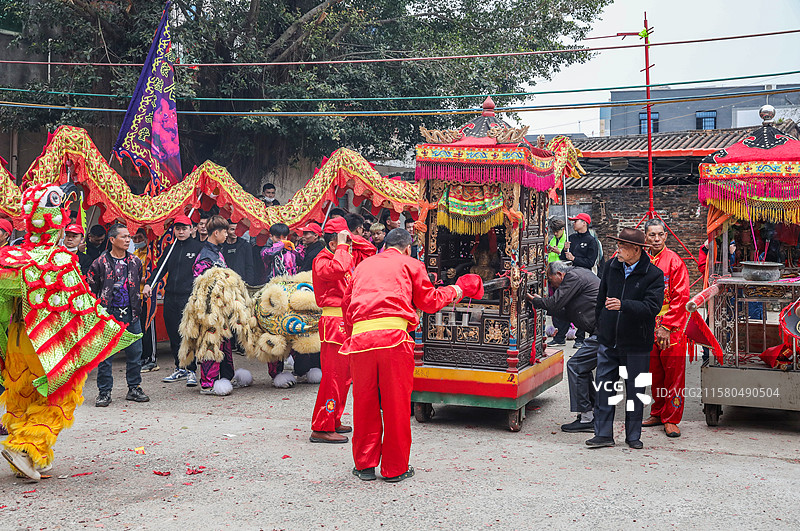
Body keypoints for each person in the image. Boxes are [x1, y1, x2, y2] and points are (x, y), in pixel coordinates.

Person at [341, 228, 483, 482]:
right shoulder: (411, 264)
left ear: (385, 245)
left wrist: (354, 334)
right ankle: (395, 469)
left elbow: (346, 304)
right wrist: (459, 289)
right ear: (408, 247)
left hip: (361, 341)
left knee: (364, 403)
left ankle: (364, 465)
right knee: (396, 405)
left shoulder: (363, 266)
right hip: (394, 341)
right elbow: (429, 301)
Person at [587, 228, 664, 450]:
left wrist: (624, 306)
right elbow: (601, 299)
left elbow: (652, 307)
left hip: (636, 344)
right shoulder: (611, 267)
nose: (617, 249)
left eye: (622, 246)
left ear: (637, 250)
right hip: (609, 340)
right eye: (618, 245)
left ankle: (633, 436)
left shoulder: (653, 275)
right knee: (604, 388)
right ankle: (603, 434)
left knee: (635, 392)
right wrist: (600, 328)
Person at [526, 261, 600, 433]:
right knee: (582, 367)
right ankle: (593, 413)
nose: (551, 285)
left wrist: (538, 302)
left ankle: (587, 417)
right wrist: (543, 304)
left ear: (559, 274)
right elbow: (566, 312)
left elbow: (554, 304)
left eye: (551, 280)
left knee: (576, 366)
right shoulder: (579, 274)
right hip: (602, 329)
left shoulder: (573, 277)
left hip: (605, 331)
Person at [86, 224, 150, 407]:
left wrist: (146, 287)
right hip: (108, 314)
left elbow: (140, 281)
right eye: (124, 237)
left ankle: (134, 388)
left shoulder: (135, 262)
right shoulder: (99, 262)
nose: (128, 240)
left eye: (129, 237)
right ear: (112, 240)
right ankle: (104, 391)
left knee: (135, 352)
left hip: (132, 313)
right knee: (106, 355)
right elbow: (91, 289)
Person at [642, 219, 690, 438]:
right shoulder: (641, 259)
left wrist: (668, 326)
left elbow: (682, 298)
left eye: (660, 235)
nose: (656, 239)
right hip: (647, 326)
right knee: (654, 373)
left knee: (674, 375)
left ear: (666, 236)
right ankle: (658, 412)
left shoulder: (674, 261)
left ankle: (672, 418)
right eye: (652, 235)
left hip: (671, 328)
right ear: (645, 237)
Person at [309, 223, 357, 444]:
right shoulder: (323, 260)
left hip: (345, 320)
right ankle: (321, 425)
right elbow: (339, 268)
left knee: (345, 377)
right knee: (333, 378)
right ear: (333, 243)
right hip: (333, 322)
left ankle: (334, 418)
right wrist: (342, 246)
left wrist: (346, 242)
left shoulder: (339, 254)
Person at [144, 215, 203, 386]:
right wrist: (149, 284)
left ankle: (192, 369)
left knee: (188, 334)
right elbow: (159, 269)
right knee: (173, 334)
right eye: (178, 228)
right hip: (171, 296)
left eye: (184, 228)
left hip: (188, 297)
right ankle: (180, 368)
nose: (181, 231)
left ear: (192, 229)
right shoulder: (170, 248)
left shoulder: (199, 248)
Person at [193, 215, 236, 394]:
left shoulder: (217, 252)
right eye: (225, 231)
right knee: (210, 344)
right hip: (210, 309)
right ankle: (207, 384)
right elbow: (201, 285)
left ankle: (224, 377)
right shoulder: (205, 256)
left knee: (224, 344)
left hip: (222, 308)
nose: (227, 235)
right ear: (216, 232)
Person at [561, 213, 597, 348]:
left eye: (576, 221)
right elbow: (563, 258)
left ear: (584, 223)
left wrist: (574, 259)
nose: (573, 223)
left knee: (582, 307)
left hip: (584, 277)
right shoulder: (571, 238)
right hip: (571, 275)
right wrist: (564, 250)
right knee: (567, 304)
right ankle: (561, 336)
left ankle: (580, 338)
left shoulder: (591, 241)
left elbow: (590, 262)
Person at [132, 228, 158, 373]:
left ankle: (152, 360)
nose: (137, 241)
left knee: (149, 328)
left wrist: (137, 278)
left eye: (139, 238)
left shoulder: (151, 254)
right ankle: (143, 357)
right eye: (134, 238)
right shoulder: (135, 254)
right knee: (141, 329)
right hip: (137, 297)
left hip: (148, 295)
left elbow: (153, 274)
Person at [546, 218, 569, 346]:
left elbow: (568, 257)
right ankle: (558, 333)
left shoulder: (567, 240)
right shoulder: (554, 239)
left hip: (561, 274)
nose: (555, 234)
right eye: (553, 232)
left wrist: (561, 251)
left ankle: (562, 333)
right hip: (552, 273)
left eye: (557, 232)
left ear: (562, 230)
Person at [222, 220, 254, 285]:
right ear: (226, 231)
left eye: (237, 229)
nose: (235, 232)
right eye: (232, 229)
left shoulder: (245, 245)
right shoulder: (221, 246)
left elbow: (249, 266)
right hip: (225, 282)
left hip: (241, 282)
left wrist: (248, 283)